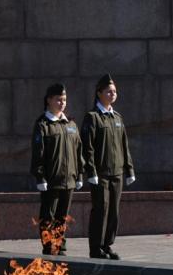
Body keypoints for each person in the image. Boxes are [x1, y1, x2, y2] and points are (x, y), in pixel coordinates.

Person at [81, 73, 136, 260]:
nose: (112, 94)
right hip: (101, 173)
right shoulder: (92, 117)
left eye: (114, 91)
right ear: (99, 93)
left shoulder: (117, 117)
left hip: (117, 172)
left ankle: (107, 245)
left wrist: (129, 169)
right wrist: (91, 171)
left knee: (113, 211)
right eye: (108, 91)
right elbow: (87, 147)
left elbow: (124, 145)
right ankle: (96, 248)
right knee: (101, 210)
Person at [30, 84, 84, 255]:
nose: (62, 103)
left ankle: (60, 246)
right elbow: (38, 153)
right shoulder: (43, 124)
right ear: (49, 100)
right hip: (51, 180)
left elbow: (78, 151)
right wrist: (40, 176)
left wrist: (80, 174)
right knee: (48, 216)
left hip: (69, 179)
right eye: (58, 100)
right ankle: (49, 247)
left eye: (64, 100)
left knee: (62, 216)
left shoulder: (71, 124)